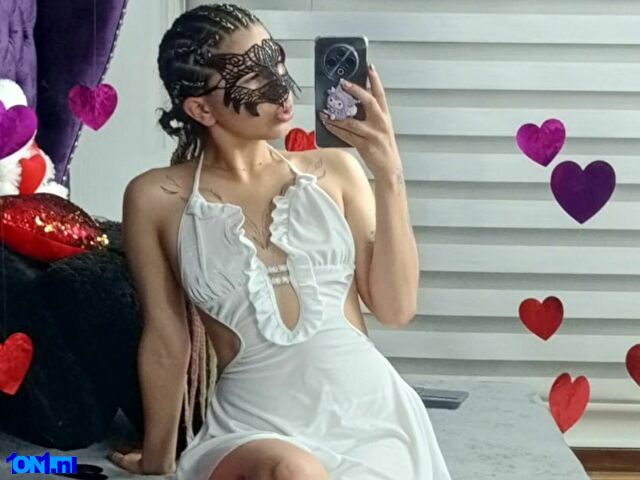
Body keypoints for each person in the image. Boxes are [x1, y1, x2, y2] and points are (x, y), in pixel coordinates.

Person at [110, 3, 453, 479]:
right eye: (253, 75)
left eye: (275, 60)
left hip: (373, 417)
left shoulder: (336, 170)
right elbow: (167, 338)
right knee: (291, 470)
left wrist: (390, 173)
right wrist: (158, 459)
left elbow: (396, 309)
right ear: (201, 108)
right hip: (256, 429)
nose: (280, 87)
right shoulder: (157, 198)